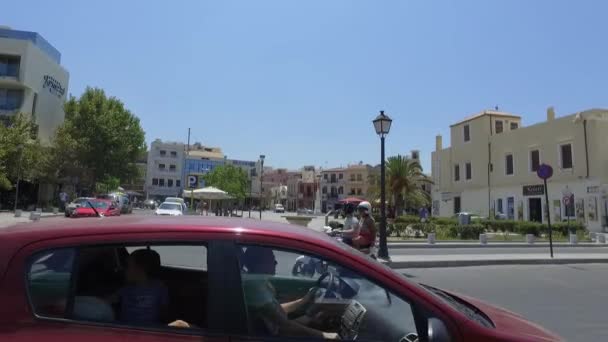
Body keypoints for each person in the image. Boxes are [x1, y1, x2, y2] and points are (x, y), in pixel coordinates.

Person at [240, 246, 338, 340]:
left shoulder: (259, 282)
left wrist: (303, 300)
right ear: (259, 262)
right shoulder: (253, 287)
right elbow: (284, 327)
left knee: (318, 318)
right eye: (271, 259)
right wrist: (324, 335)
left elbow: (276, 310)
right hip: (276, 334)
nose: (275, 262)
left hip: (276, 329)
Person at [108, 249, 169, 326]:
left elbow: (164, 312)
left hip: (140, 329)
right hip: (129, 329)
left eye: (127, 266)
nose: (124, 270)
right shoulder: (125, 289)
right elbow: (109, 300)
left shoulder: (160, 288)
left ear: (139, 270)